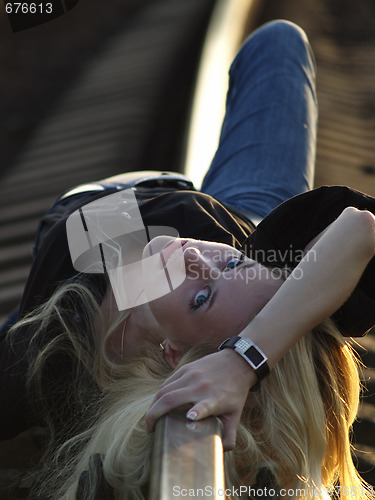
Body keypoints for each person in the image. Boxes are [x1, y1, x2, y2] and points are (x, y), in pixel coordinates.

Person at [0, 19, 375, 498]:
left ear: (170, 354)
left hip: (87, 245)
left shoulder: (46, 351)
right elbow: (362, 227)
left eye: (202, 297)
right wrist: (245, 360)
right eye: (233, 265)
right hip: (243, 210)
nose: (196, 255)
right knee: (279, 41)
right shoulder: (229, 247)